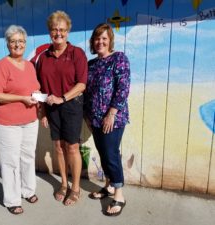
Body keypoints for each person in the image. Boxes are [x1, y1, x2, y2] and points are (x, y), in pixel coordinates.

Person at [32, 10, 88, 206]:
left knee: (72, 147)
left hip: (72, 106)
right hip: (51, 108)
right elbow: (39, 87)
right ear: (49, 32)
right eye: (55, 29)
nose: (58, 33)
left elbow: (82, 84)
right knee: (58, 147)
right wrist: (43, 111)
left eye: (62, 30)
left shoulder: (77, 53)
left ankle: (75, 187)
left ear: (68, 31)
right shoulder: (44, 57)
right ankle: (64, 183)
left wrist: (62, 98)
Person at [0, 25, 40, 215]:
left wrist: (37, 96)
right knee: (10, 161)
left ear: (25, 44)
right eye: (13, 41)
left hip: (30, 120)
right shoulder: (2, 65)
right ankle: (12, 199)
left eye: (21, 41)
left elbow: (33, 88)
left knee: (28, 157)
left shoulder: (29, 66)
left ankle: (28, 191)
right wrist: (22, 98)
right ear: (8, 44)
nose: (17, 44)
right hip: (7, 123)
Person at [85, 23, 130, 216]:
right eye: (97, 38)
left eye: (104, 38)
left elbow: (123, 88)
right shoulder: (91, 64)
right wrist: (87, 115)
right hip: (94, 119)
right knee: (104, 154)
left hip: (113, 118)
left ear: (110, 40)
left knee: (111, 154)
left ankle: (119, 195)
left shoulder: (119, 59)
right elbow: (87, 92)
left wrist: (111, 113)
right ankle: (109, 186)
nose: (100, 42)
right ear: (93, 42)